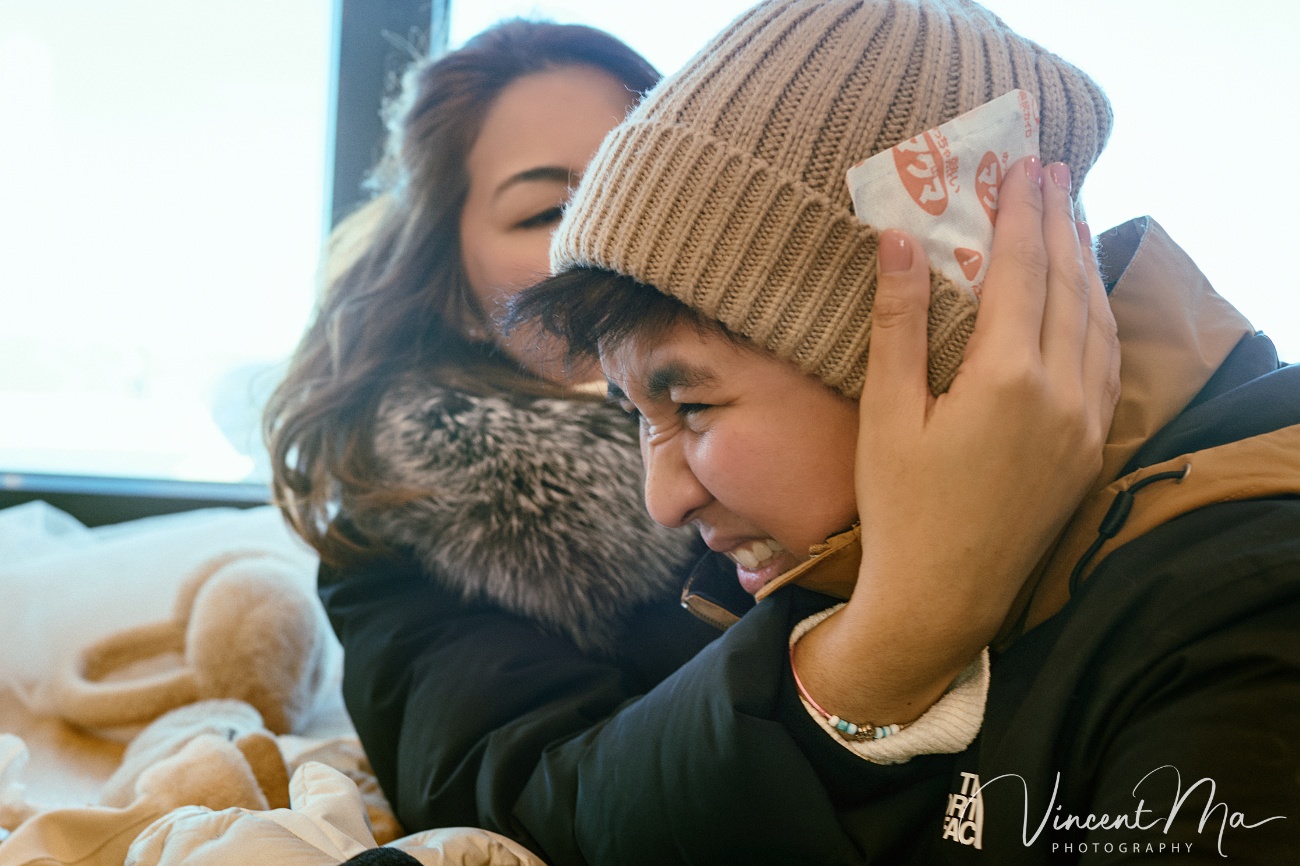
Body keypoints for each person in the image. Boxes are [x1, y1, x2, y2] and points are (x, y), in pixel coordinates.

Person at [511, 0, 1300, 862]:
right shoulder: (827, 564)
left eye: (692, 405)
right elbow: (573, 816)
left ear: (934, 348)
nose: (662, 502)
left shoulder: (1247, 602)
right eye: (638, 415)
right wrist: (894, 638)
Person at [262, 15, 721, 846]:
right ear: (450, 286)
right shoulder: (402, 529)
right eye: (549, 210)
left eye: (639, 189)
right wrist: (879, 645)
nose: (604, 238)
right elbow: (533, 798)